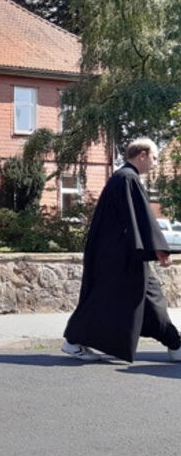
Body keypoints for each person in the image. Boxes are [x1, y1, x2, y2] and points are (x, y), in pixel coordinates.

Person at [62, 138, 181, 363]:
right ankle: (72, 341)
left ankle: (175, 344)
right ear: (142, 155)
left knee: (148, 298)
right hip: (118, 257)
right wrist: (159, 249)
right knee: (107, 300)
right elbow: (142, 217)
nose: (156, 163)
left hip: (121, 255)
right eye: (154, 158)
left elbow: (135, 218)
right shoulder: (128, 178)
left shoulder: (123, 177)